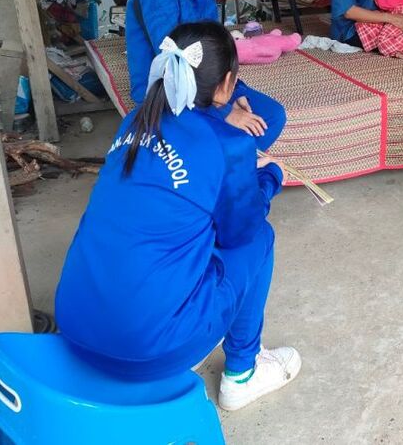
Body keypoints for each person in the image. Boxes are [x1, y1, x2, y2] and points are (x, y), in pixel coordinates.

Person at [56, 21, 301, 412]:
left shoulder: (133, 122)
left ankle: (191, 327)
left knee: (171, 224)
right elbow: (242, 230)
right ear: (226, 85)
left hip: (75, 330)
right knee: (258, 239)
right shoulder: (229, 145)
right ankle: (243, 372)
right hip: (150, 353)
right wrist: (270, 177)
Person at [126, 0, 285, 151]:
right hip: (168, 90)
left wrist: (232, 91)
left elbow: (216, 49)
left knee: (271, 116)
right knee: (221, 128)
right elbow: (173, 65)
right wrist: (223, 109)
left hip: (206, 84)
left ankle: (228, 163)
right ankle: (221, 165)